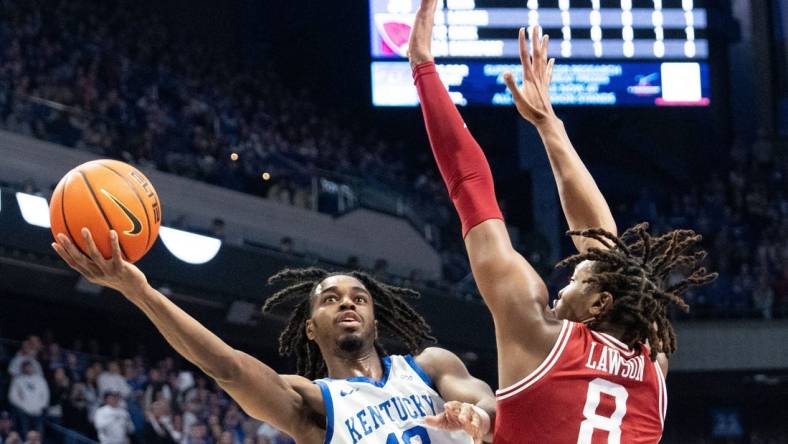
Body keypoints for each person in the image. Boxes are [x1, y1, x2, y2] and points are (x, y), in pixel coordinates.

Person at [408, 0, 717, 442]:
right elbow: (606, 248)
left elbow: (470, 184)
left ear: (599, 305)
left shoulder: (537, 333)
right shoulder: (652, 362)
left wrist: (422, 66)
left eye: (574, 277)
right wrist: (548, 124)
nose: (560, 287)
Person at [52, 228, 496, 443]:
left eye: (360, 298)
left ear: (375, 322)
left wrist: (482, 417)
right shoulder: (314, 405)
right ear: (309, 328)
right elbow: (226, 366)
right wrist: (140, 291)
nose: (347, 303)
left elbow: (486, 399)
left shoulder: (431, 366)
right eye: (330, 299)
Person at [8, 361, 49, 436]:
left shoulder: (40, 379)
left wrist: (40, 406)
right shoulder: (18, 380)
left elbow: (46, 395)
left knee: (39, 434)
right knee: (25, 433)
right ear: (22, 368)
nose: (28, 369)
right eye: (26, 367)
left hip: (38, 412)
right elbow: (12, 397)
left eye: (30, 367)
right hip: (24, 412)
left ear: (33, 367)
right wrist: (24, 407)